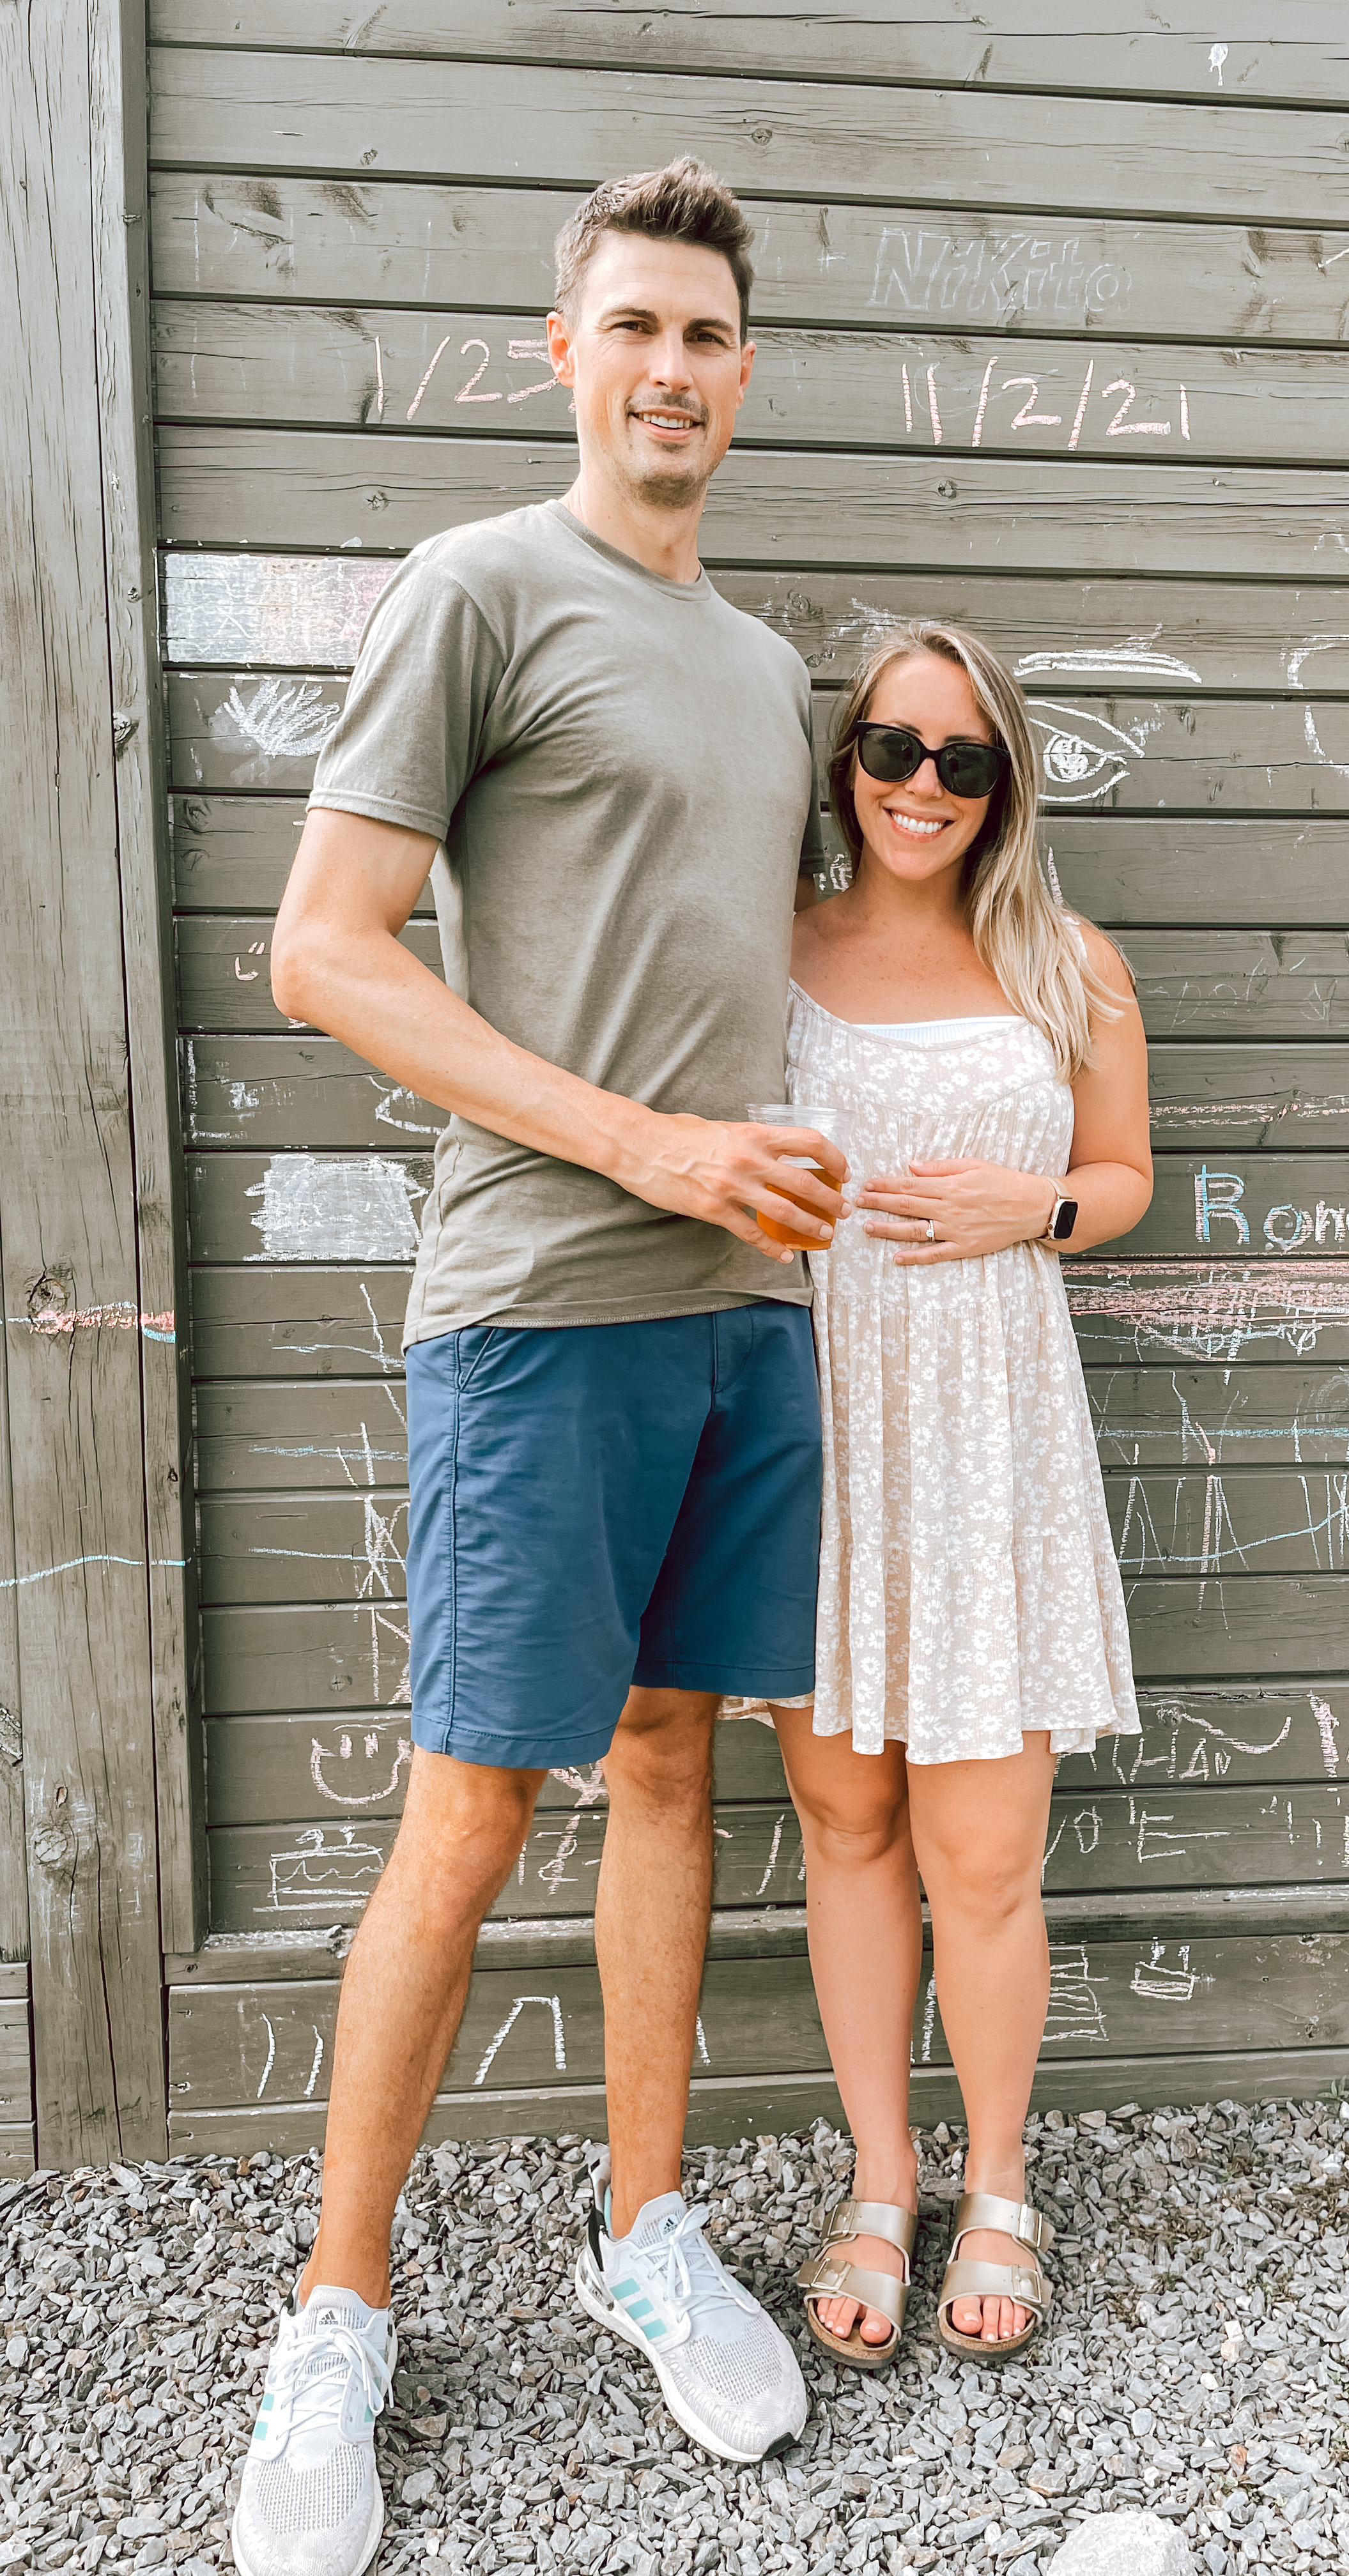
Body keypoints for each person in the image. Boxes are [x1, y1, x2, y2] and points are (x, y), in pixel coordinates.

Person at [233, 160, 845, 2576]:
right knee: (473, 1810)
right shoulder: (481, 588)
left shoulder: (767, 668)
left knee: (673, 1770)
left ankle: (645, 2229)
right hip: (537, 1305)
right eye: (635, 327)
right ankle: (337, 2317)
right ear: (563, 353)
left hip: (743, 1315)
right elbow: (324, 949)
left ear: (744, 373)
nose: (671, 368)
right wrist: (644, 1145)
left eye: (707, 333)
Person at [736, 623, 1152, 2368]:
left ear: (1006, 784)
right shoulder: (766, 947)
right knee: (845, 1825)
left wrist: (1028, 1211)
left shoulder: (1067, 958)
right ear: (846, 763)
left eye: (964, 760)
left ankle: (997, 2185)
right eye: (895, 750)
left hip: (992, 1441)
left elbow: (1123, 1175)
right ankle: (880, 2177)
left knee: (981, 1856)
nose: (924, 786)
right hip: (822, 1425)